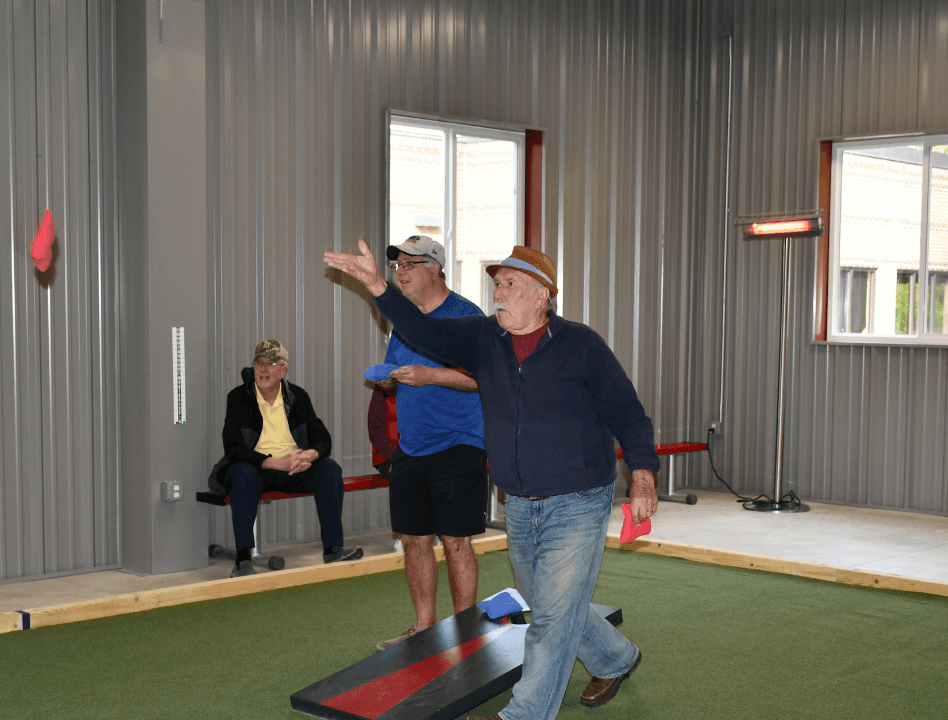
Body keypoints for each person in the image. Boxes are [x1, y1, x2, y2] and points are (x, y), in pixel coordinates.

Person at [325, 241, 659, 720]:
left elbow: (628, 413)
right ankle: (616, 657)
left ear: (543, 295)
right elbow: (422, 330)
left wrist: (643, 474)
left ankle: (524, 714)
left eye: (511, 284)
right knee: (547, 599)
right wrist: (378, 285)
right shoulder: (484, 339)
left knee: (549, 617)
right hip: (520, 502)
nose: (498, 293)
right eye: (496, 284)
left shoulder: (581, 345)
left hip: (579, 497)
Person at [373, 235, 489, 651]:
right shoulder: (403, 321)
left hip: (459, 445)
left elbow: (484, 380)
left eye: (409, 263)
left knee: (456, 541)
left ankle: (463, 632)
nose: (400, 270)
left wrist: (430, 375)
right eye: (396, 265)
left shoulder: (467, 317)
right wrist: (390, 378)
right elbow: (403, 375)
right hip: (412, 447)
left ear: (436, 267)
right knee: (413, 539)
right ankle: (425, 628)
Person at [207, 339, 364, 576]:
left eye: (270, 364)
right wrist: (273, 462)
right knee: (242, 473)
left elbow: (323, 439)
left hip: (293, 469)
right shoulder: (238, 398)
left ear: (283, 370)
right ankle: (243, 559)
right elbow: (233, 447)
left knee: (330, 469)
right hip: (257, 469)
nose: (263, 369)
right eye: (259, 363)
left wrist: (310, 455)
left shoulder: (297, 397)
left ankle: (333, 549)